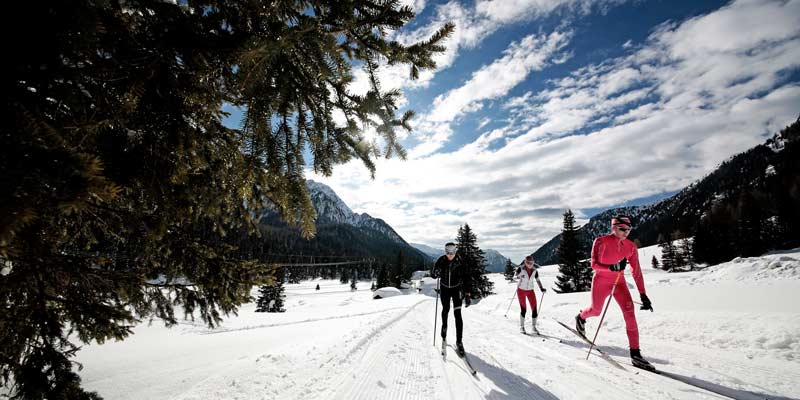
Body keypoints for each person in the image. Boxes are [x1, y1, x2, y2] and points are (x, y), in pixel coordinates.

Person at [575, 215, 654, 370]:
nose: (626, 232)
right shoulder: (600, 241)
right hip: (601, 281)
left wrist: (643, 294)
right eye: (622, 228)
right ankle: (581, 317)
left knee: (630, 313)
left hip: (619, 283)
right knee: (596, 311)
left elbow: (636, 271)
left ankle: (636, 354)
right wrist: (611, 268)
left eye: (628, 229)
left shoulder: (631, 246)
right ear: (613, 227)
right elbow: (594, 265)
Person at [432, 242, 471, 356]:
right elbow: (433, 273)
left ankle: (459, 341)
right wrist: (436, 272)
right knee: (445, 310)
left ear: (455, 251)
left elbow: (466, 278)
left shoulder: (460, 262)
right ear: (445, 251)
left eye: (452, 252)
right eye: (447, 252)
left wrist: (467, 294)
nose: (450, 254)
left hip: (456, 289)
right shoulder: (441, 260)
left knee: (457, 314)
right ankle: (443, 335)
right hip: (444, 289)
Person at [514, 255, 546, 334]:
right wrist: (518, 277)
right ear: (525, 262)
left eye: (532, 263)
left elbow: (538, 280)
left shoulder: (535, 270)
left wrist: (541, 288)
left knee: (534, 309)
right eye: (528, 263)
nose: (530, 264)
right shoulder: (520, 269)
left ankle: (534, 328)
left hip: (530, 291)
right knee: (524, 309)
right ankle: (522, 327)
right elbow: (514, 277)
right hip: (521, 290)